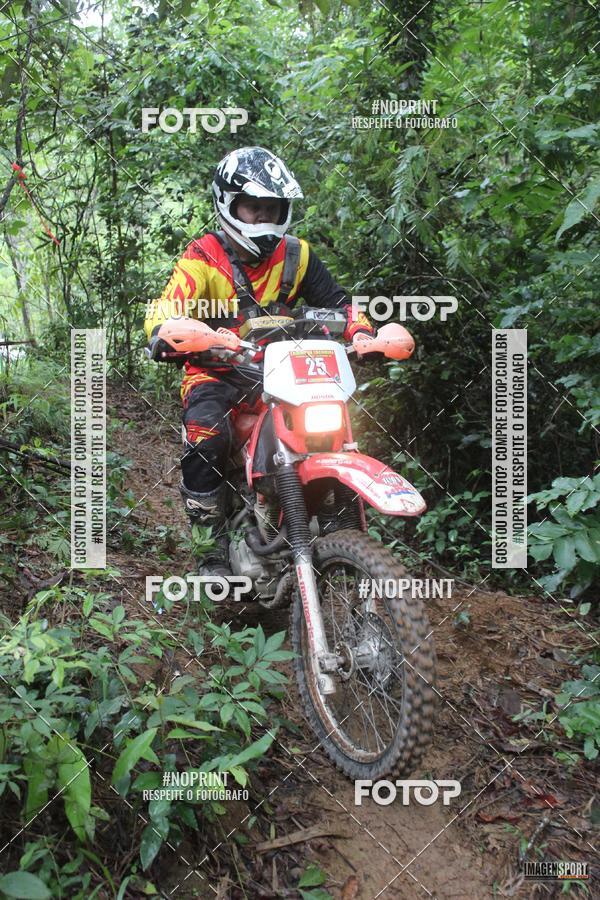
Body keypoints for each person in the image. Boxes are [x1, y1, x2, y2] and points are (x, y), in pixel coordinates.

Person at [144, 146, 373, 577]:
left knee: (337, 430)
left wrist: (363, 334)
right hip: (217, 372)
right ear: (228, 205)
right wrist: (168, 333)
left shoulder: (296, 255)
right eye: (253, 208)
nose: (264, 219)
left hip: (287, 372)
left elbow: (341, 305)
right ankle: (210, 552)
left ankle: (344, 536)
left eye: (273, 208)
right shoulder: (202, 257)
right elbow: (164, 312)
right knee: (206, 435)